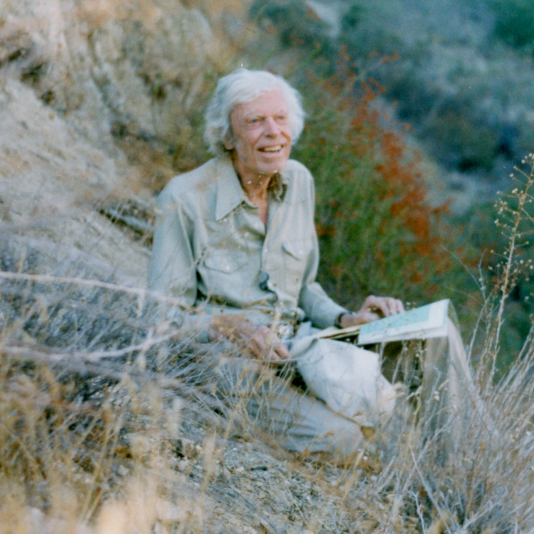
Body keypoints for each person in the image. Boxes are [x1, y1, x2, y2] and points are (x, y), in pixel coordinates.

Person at [149, 68, 447, 462]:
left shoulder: (299, 182)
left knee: (424, 348)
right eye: (255, 122)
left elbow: (304, 288)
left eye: (281, 118)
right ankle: (233, 423)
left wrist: (346, 319)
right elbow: (160, 319)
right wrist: (223, 327)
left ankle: (447, 463)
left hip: (297, 347)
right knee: (345, 437)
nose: (273, 132)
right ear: (227, 136)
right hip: (224, 365)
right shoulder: (184, 199)